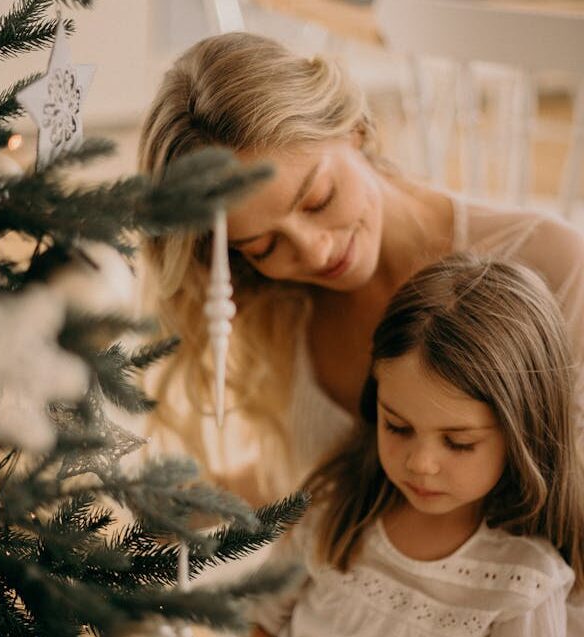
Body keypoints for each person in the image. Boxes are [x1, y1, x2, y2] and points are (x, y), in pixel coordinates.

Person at [137, 31, 584, 501]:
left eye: (317, 199)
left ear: (352, 129)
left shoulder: (554, 264)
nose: (314, 252)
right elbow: (316, 475)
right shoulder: (277, 302)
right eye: (263, 244)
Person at [249, 254, 584, 637]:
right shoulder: (329, 509)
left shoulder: (524, 583)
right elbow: (262, 621)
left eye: (458, 443)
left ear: (524, 434)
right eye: (398, 427)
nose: (421, 463)